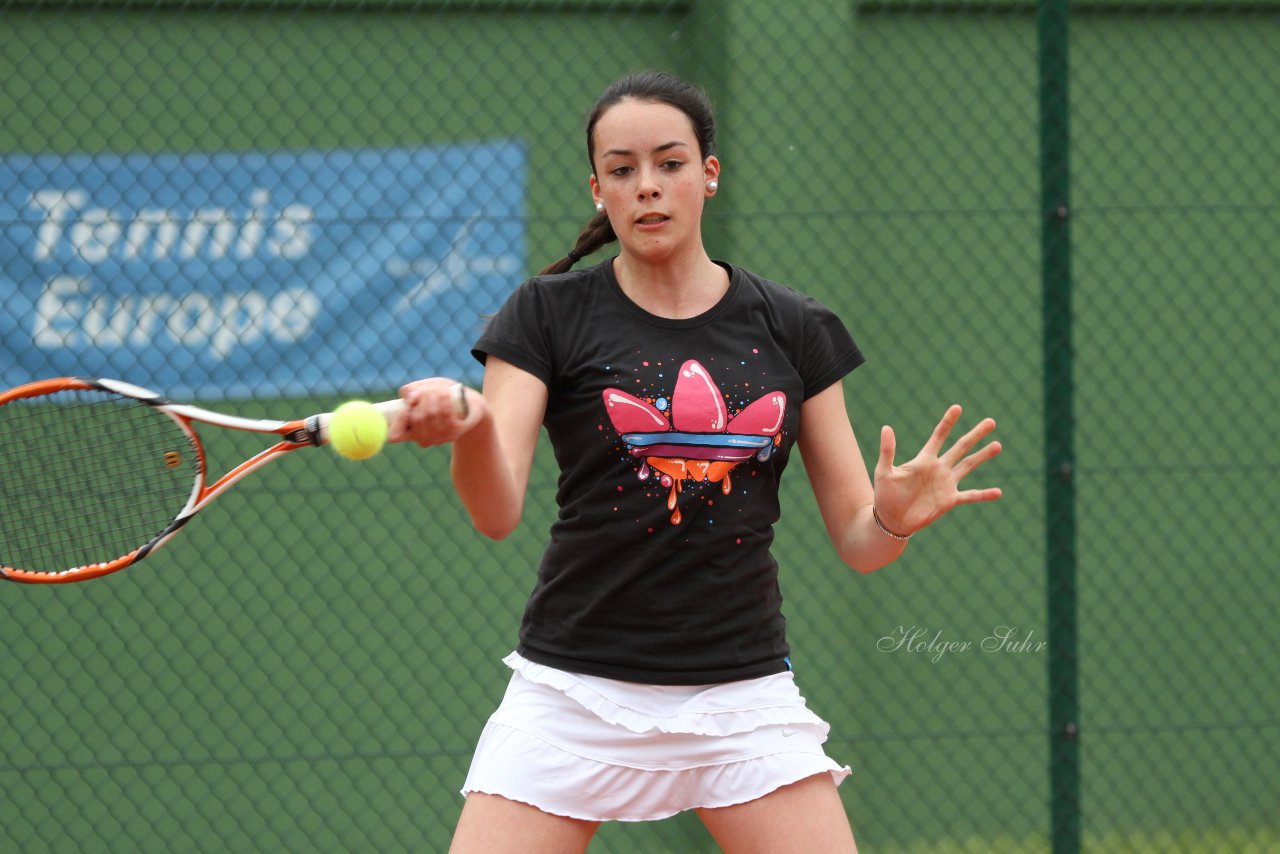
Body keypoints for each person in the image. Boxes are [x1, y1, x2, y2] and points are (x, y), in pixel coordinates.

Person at [390, 70, 1002, 854]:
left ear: (709, 176)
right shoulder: (544, 315)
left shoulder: (795, 327)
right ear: (597, 190)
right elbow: (494, 511)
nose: (647, 187)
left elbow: (861, 543)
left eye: (670, 163)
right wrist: (470, 427)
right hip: (575, 692)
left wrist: (892, 516)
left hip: (740, 694)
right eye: (622, 170)